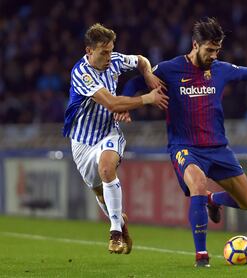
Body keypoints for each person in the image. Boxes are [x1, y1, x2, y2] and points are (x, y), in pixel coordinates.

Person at [122, 17, 247, 267]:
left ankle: (213, 201)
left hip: (218, 147)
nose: (213, 55)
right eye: (209, 50)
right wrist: (125, 103)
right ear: (195, 45)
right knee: (198, 184)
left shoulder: (221, 69)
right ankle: (201, 255)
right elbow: (135, 82)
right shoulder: (170, 69)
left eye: (217, 50)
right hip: (185, 147)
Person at [62, 23, 168, 255]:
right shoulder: (82, 73)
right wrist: (146, 99)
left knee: (107, 168)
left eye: (111, 50)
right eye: (104, 52)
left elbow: (141, 60)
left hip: (108, 132)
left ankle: (115, 234)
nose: (110, 56)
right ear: (89, 51)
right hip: (82, 141)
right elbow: (111, 103)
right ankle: (121, 222)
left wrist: (147, 73)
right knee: (100, 192)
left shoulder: (115, 59)